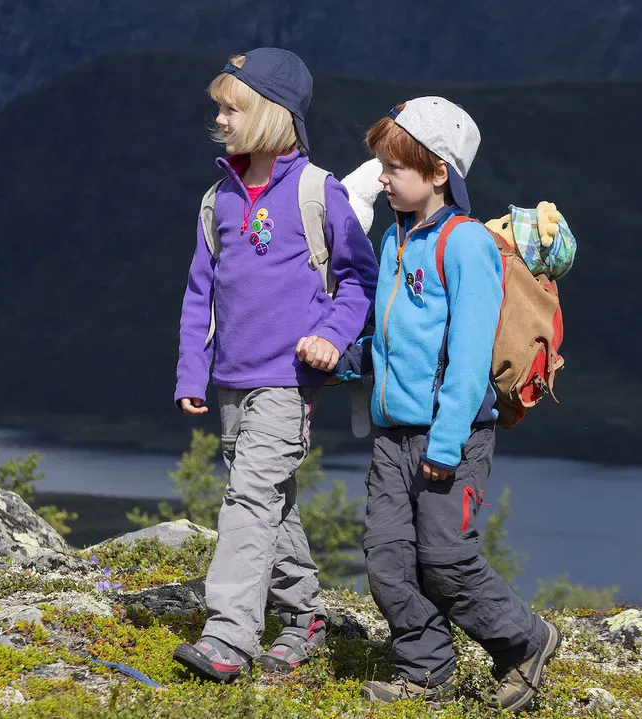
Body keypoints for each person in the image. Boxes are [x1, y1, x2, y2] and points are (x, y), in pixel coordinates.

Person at [341, 97, 562, 711]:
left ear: (439, 171)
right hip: (393, 435)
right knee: (387, 559)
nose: (381, 178)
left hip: (452, 435)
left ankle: (525, 641)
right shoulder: (394, 239)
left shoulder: (465, 245)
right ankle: (426, 667)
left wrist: (445, 441)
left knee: (443, 556)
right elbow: (391, 334)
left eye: (393, 167)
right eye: (381, 165)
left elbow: (467, 357)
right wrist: (351, 362)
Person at [172, 48, 379, 682]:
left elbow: (357, 282)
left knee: (249, 497)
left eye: (231, 108)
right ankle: (304, 615)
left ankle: (229, 636)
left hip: (289, 382)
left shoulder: (320, 192)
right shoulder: (219, 200)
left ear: (270, 114)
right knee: (271, 499)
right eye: (219, 107)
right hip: (232, 379)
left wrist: (331, 337)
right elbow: (199, 293)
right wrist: (190, 372)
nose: (219, 118)